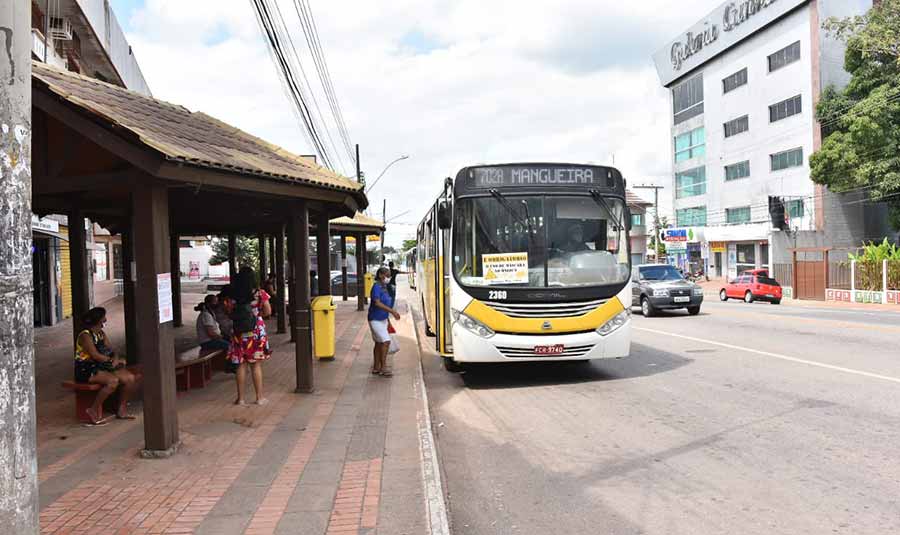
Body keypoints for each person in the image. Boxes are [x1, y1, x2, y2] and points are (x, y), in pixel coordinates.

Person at [74, 307, 138, 424]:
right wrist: (112, 361)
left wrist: (116, 358)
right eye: (104, 317)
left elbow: (111, 349)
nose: (106, 320)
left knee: (130, 378)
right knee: (113, 381)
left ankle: (121, 409)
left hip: (103, 365)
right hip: (87, 368)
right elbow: (94, 355)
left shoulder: (101, 334)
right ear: (98, 320)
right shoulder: (85, 335)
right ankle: (92, 410)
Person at [228, 267, 272, 406]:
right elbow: (268, 311)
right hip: (256, 331)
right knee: (255, 365)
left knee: (240, 364)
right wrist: (257, 316)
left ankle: (240, 399)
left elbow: (229, 312)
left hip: (239, 333)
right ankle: (259, 398)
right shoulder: (260, 293)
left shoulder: (233, 295)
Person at [368, 266, 400, 377]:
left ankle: (376, 367)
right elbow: (377, 302)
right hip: (375, 319)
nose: (388, 277)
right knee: (386, 341)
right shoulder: (376, 287)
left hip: (383, 320)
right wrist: (393, 312)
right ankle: (384, 367)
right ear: (381, 275)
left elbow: (386, 303)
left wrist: (388, 321)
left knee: (378, 343)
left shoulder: (385, 287)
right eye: (387, 275)